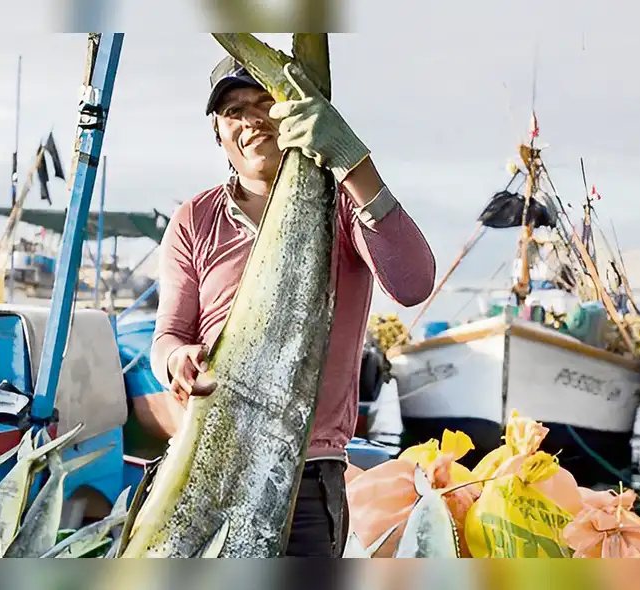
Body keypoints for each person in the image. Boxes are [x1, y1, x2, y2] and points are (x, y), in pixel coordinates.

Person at [149, 56, 437, 557]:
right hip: (206, 465)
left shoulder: (343, 205)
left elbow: (413, 283)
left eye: (266, 102)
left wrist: (352, 162)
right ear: (218, 133)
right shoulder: (194, 218)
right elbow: (167, 337)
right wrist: (175, 361)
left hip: (305, 469)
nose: (251, 120)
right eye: (234, 111)